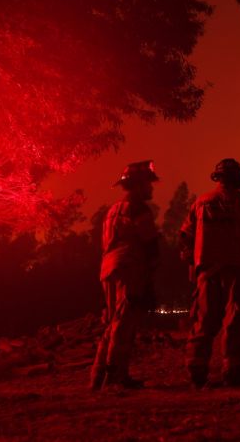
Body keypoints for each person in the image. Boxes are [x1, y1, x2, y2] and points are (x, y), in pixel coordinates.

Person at [180, 158, 240, 388]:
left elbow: (185, 236)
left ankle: (196, 368)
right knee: (235, 319)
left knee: (204, 319)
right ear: (237, 178)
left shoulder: (201, 202)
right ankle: (234, 370)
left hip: (207, 270)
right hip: (238, 268)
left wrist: (192, 263)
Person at [91, 160, 160, 390]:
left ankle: (98, 378)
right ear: (138, 185)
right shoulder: (138, 208)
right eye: (148, 184)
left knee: (112, 323)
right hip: (129, 267)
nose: (151, 188)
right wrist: (151, 273)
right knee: (124, 324)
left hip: (108, 268)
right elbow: (150, 242)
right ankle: (115, 378)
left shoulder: (112, 210)